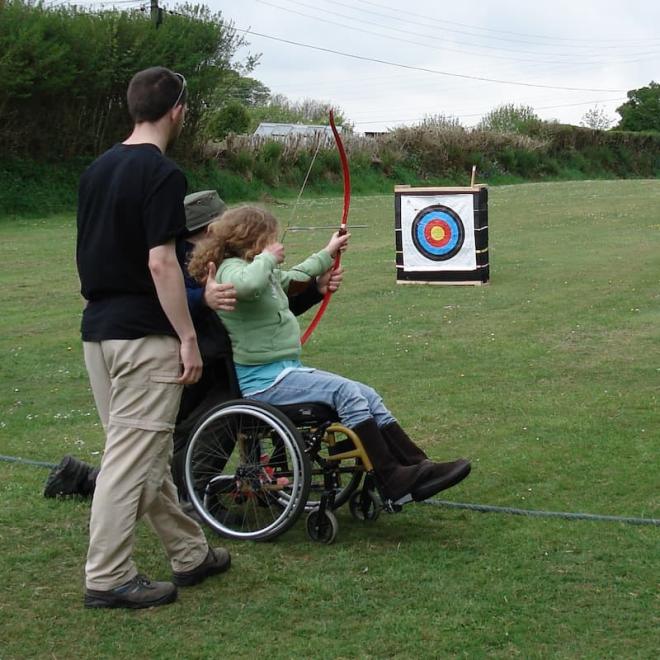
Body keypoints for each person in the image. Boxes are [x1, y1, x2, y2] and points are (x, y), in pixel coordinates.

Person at [45, 191, 343, 501]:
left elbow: (262, 313)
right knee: (191, 436)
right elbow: (161, 304)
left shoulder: (225, 261)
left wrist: (314, 291)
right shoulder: (180, 263)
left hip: (220, 366)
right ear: (210, 230)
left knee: (181, 441)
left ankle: (88, 478)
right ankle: (192, 498)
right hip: (191, 367)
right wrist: (203, 298)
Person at [187, 206, 471, 504]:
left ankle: (418, 467)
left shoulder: (260, 269)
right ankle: (392, 477)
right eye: (268, 238)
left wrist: (328, 250)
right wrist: (268, 257)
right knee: (346, 392)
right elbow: (248, 284)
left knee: (368, 395)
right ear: (251, 238)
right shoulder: (230, 269)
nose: (274, 244)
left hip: (286, 372)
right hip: (265, 381)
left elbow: (296, 275)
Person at [75, 67, 230, 610]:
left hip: (99, 333)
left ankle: (190, 554)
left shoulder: (96, 169)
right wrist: (186, 337)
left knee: (146, 451)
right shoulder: (163, 174)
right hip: (143, 337)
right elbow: (163, 262)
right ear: (178, 111)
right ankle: (108, 576)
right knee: (131, 459)